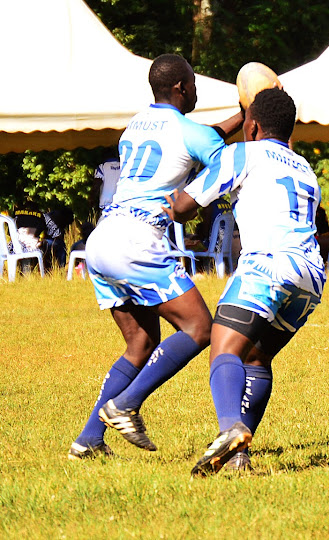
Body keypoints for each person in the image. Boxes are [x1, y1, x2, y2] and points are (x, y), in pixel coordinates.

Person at [67, 53, 244, 460]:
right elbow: (217, 153)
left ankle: (89, 438)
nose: (196, 90)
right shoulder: (189, 131)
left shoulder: (134, 127)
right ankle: (126, 405)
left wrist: (239, 115)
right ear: (181, 87)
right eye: (194, 84)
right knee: (200, 328)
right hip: (137, 240)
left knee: (142, 341)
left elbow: (202, 134)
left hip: (103, 238)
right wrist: (254, 119)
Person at [165, 88, 326, 476]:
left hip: (267, 265)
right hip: (310, 276)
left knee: (224, 352)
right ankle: (238, 456)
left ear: (251, 126)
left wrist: (168, 195)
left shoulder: (243, 153)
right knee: (257, 357)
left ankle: (230, 430)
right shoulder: (305, 167)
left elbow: (183, 208)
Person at [93, 152, 120, 217]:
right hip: (121, 203)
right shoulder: (124, 166)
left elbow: (97, 183)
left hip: (106, 205)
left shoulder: (102, 167)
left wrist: (92, 198)